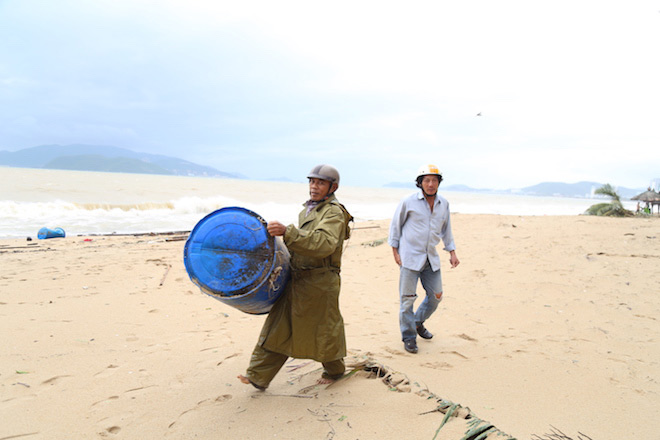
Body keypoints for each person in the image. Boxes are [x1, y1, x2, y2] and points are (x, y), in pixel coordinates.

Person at [238, 164, 353, 390]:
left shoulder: (333, 212)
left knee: (324, 331)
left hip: (321, 283)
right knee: (279, 325)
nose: (314, 186)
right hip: (299, 279)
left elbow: (324, 244)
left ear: (333, 187)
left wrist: (288, 232)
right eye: (312, 181)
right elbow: (305, 242)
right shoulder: (309, 210)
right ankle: (258, 376)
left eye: (320, 182)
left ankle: (335, 370)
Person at [388, 164, 460, 354]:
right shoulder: (408, 202)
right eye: (426, 180)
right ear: (420, 183)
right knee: (407, 300)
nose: (430, 184)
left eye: (434, 180)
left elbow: (446, 229)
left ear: (438, 183)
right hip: (409, 258)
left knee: (436, 296)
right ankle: (409, 336)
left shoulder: (443, 204)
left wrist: (452, 251)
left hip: (431, 258)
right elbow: (396, 226)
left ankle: (418, 322)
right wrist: (394, 250)